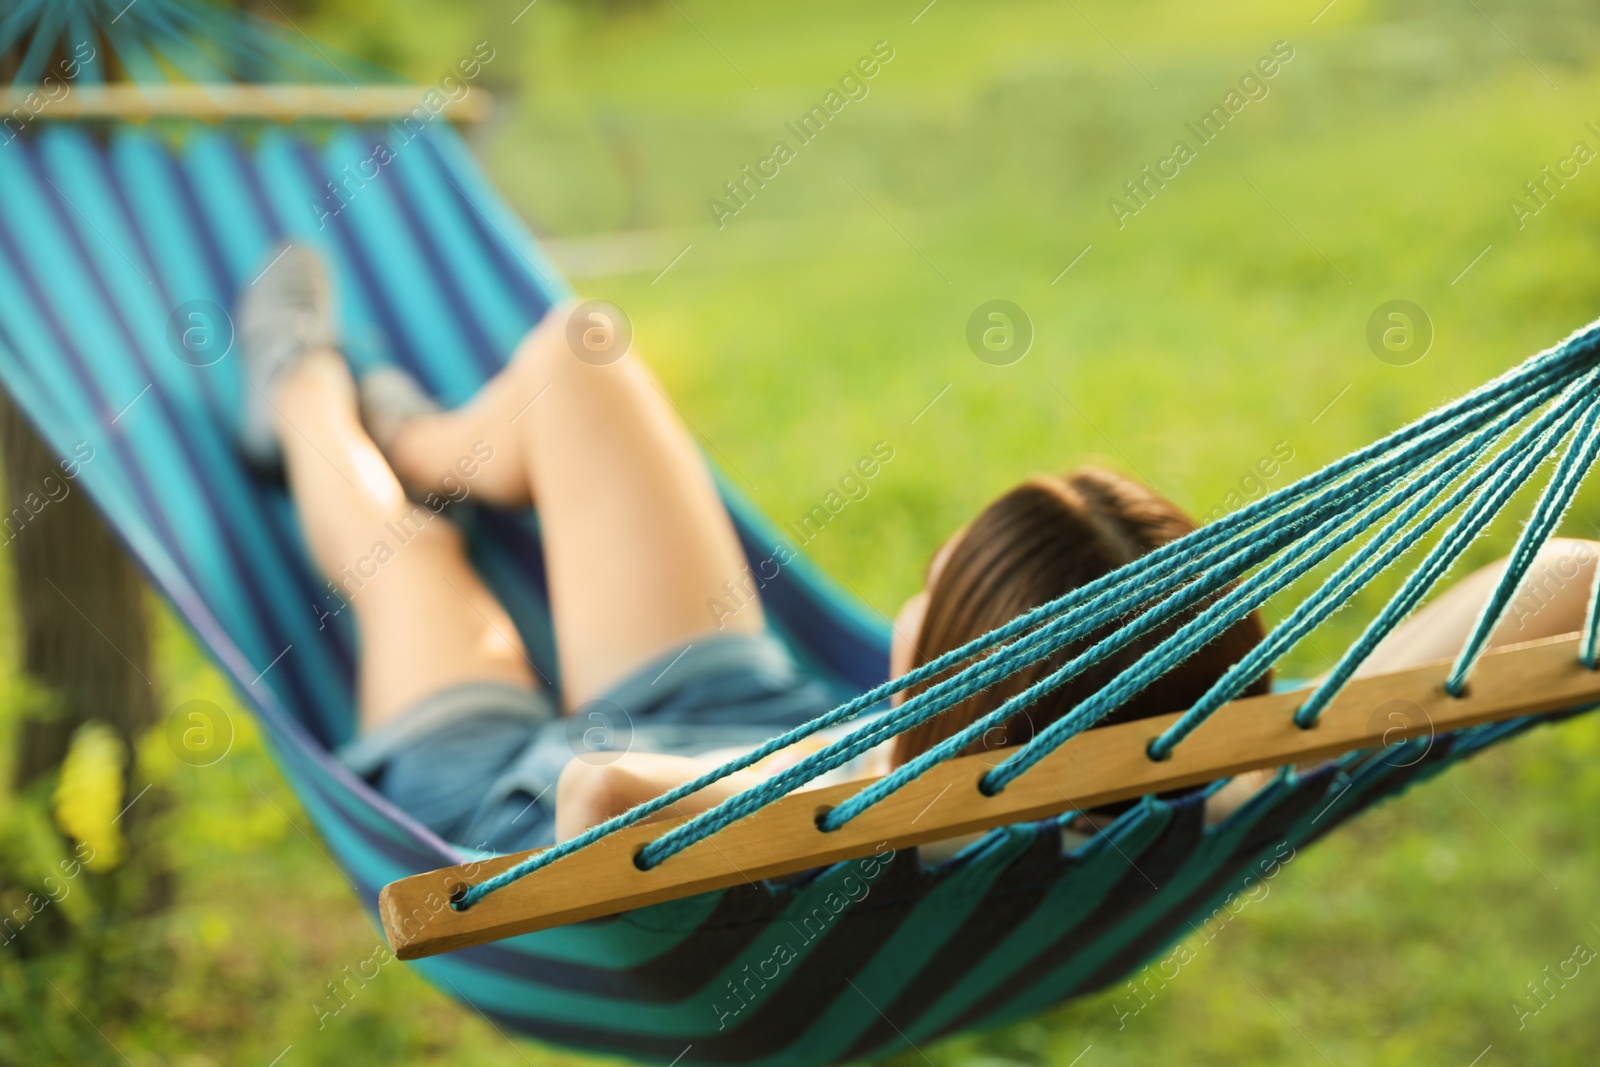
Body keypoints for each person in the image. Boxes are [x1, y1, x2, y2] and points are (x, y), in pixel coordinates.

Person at [238, 243, 1600, 859]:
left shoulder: (909, 838)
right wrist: (1302, 721)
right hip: (759, 715)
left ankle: (303, 393)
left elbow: (596, 796)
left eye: (950, 570)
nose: (933, 557)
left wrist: (894, 788)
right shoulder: (1201, 787)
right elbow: (1572, 576)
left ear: (975, 668)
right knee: (583, 353)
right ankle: (436, 443)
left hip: (511, 802)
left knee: (414, 567)